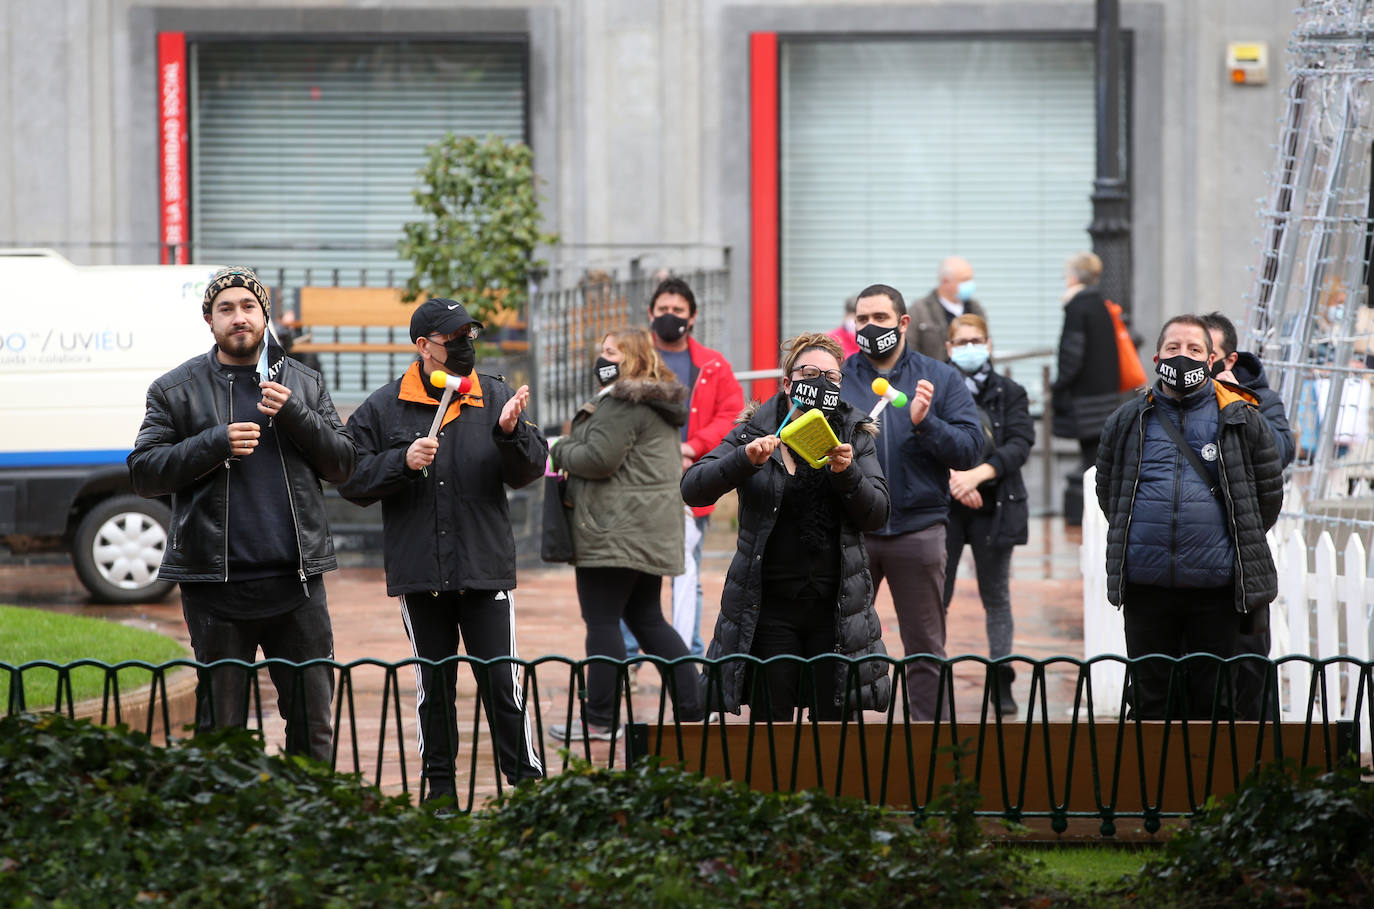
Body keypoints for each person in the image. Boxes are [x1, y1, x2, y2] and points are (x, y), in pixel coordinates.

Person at [128, 266, 356, 763]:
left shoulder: (304, 383)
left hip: (296, 586)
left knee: (314, 728)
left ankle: (312, 828)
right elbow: (144, 472)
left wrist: (296, 413)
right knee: (220, 736)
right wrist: (214, 443)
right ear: (209, 320)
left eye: (248, 307)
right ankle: (228, 832)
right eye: (225, 309)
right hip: (216, 590)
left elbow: (343, 463)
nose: (238, 317)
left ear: (264, 315)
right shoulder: (175, 390)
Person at [338, 298, 545, 801]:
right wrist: (401, 462)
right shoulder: (387, 406)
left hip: (484, 569)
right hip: (420, 574)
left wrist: (512, 436)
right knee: (435, 687)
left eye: (470, 336)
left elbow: (530, 471)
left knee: (502, 684)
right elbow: (349, 478)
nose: (465, 346)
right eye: (454, 339)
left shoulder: (494, 397)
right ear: (424, 346)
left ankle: (529, 790)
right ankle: (440, 792)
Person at [683, 333, 891, 719]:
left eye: (832, 377)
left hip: (837, 612)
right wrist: (744, 459)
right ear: (787, 383)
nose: (821, 383)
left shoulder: (855, 432)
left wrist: (847, 475)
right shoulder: (755, 428)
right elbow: (693, 488)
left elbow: (877, 514)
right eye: (810, 373)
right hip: (769, 609)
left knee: (834, 732)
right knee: (773, 732)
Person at [1095, 315, 1284, 720]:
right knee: (1150, 701)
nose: (1183, 357)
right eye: (1173, 348)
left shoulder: (1241, 417)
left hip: (1215, 589)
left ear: (1212, 359)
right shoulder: (1128, 420)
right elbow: (1110, 492)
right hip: (1147, 587)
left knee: (1213, 702)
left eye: (1195, 350)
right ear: (1156, 356)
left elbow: (1267, 497)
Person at [547, 327, 705, 740]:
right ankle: (693, 707)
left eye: (611, 352)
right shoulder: (653, 403)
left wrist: (558, 447)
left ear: (632, 358)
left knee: (601, 623)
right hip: (644, 529)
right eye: (602, 350)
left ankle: (599, 720)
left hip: (614, 531)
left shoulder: (623, 402)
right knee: (648, 620)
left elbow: (598, 459)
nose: (603, 358)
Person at [838, 284, 984, 720]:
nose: (869, 328)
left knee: (924, 647)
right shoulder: (839, 380)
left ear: (903, 323)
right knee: (843, 644)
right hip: (853, 531)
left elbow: (971, 448)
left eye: (880, 318)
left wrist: (926, 423)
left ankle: (929, 749)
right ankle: (840, 744)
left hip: (918, 532)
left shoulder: (939, 378)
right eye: (862, 319)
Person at [622, 277, 744, 661]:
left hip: (691, 480)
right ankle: (627, 656)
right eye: (663, 311)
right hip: (640, 482)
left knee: (686, 569)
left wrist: (693, 448)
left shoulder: (713, 364)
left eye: (678, 311)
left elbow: (731, 414)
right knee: (630, 570)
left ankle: (686, 656)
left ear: (692, 317)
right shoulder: (632, 360)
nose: (670, 317)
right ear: (650, 314)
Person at [1200, 310, 1296, 720]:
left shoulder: (1262, 400)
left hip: (1241, 563)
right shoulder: (1164, 403)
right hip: (1188, 564)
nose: (1193, 365)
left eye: (1205, 354)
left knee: (1248, 670)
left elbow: (1278, 454)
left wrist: (1236, 400)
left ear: (1229, 360)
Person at [941, 314, 1035, 716]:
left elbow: (1020, 443)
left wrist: (975, 478)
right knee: (934, 599)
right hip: (943, 507)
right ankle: (932, 678)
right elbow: (919, 437)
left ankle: (1001, 679)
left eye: (976, 340)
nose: (969, 348)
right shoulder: (936, 387)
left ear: (990, 344)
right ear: (948, 348)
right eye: (961, 342)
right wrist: (955, 482)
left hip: (995, 505)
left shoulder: (1009, 391)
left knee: (996, 596)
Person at [1051, 251, 1126, 523]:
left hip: (1085, 397)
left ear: (1073, 276)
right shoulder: (1100, 304)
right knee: (1097, 455)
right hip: (1105, 394)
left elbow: (1072, 353)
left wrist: (1059, 385)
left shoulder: (1078, 306)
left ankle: (1092, 515)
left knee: (1090, 459)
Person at [907, 256, 987, 361]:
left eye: (971, 279)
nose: (970, 284)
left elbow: (987, 346)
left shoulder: (975, 309)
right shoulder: (920, 310)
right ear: (945, 281)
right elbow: (909, 352)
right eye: (964, 280)